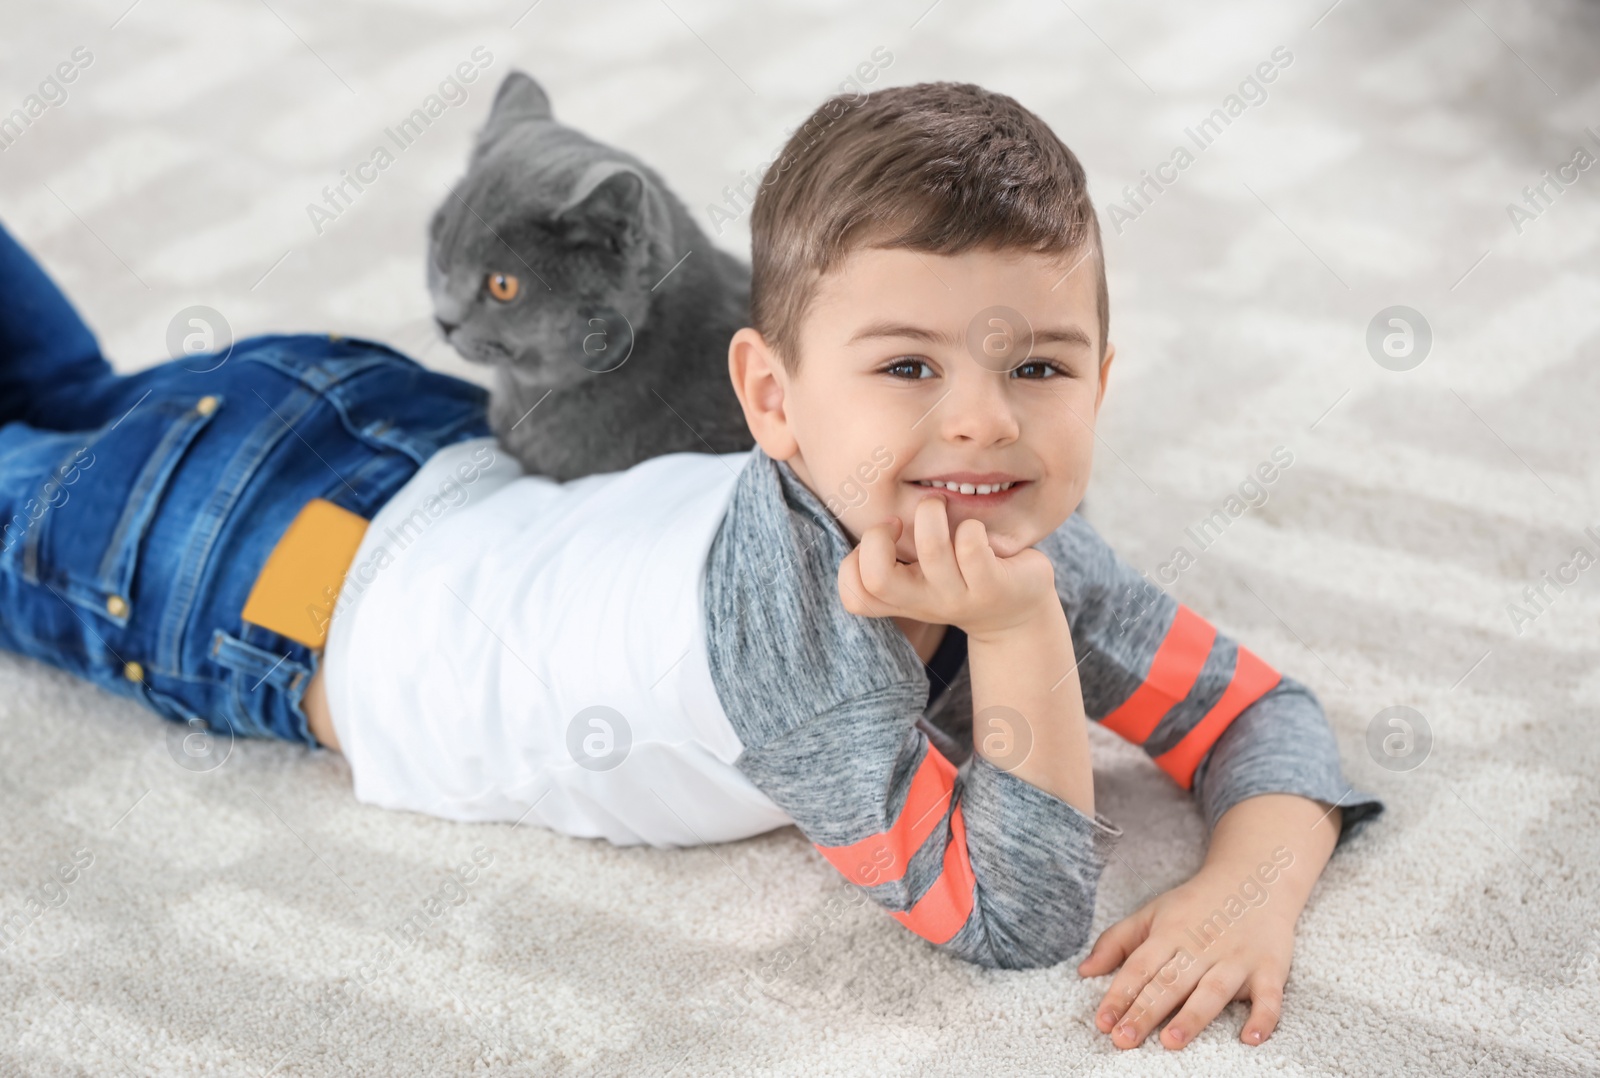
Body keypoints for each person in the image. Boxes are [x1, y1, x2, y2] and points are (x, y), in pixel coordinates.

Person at [0, 80, 1383, 1053]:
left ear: (1102, 377)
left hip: (375, 422)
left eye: (1039, 365)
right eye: (907, 366)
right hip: (240, 579)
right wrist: (1019, 630)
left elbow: (1267, 714)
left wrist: (1248, 883)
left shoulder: (1018, 529)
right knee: (65, 410)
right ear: (768, 399)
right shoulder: (803, 647)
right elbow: (1016, 913)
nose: (982, 419)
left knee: (73, 383)